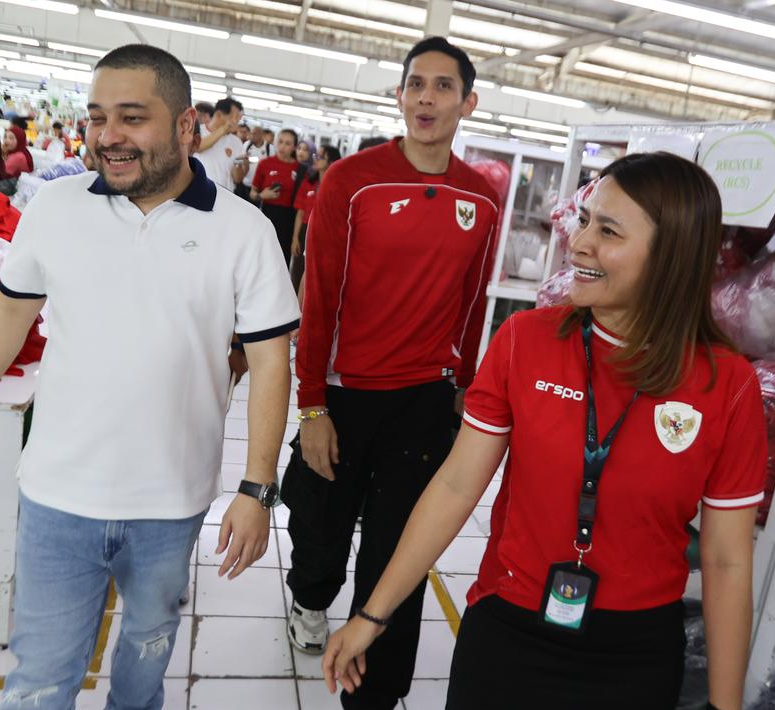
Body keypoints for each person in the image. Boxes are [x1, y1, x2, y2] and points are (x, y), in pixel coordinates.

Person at [321, 151, 767, 710]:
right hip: (509, 631)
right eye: (584, 220)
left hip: (634, 655)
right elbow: (457, 486)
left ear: (672, 254)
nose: (579, 244)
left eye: (608, 231)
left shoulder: (726, 384)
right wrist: (373, 613)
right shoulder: (525, 342)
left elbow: (727, 560)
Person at [0, 43, 299, 710]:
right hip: (57, 497)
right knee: (40, 680)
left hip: (170, 501)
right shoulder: (55, 208)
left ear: (187, 126)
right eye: (97, 116)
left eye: (132, 118)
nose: (108, 136)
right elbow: (10, 311)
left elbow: (270, 363)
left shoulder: (243, 231)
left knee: (144, 657)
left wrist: (256, 488)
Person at [285, 36, 501, 710]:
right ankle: (310, 599)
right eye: (415, 85)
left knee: (398, 546)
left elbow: (472, 300)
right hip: (345, 394)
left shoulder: (482, 198)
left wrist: (461, 383)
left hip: (424, 400)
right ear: (399, 95)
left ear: (467, 102)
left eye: (442, 86)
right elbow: (317, 295)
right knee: (320, 526)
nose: (425, 98)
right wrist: (311, 405)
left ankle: (375, 693)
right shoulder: (353, 181)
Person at [289, 144, 340, 292]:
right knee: (298, 270)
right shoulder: (308, 182)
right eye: (315, 156)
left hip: (325, 233)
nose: (315, 160)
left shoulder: (337, 186)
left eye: (320, 157)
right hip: (304, 230)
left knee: (317, 273)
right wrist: (295, 238)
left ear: (331, 162)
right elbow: (300, 212)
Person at [250, 128, 303, 259]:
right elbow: (252, 193)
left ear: (294, 147)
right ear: (275, 142)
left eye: (288, 143)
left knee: (282, 257)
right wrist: (261, 196)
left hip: (289, 218)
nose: (282, 146)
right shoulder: (265, 164)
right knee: (262, 255)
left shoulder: (300, 169)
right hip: (267, 214)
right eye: (280, 142)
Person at [194, 97, 246, 191]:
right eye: (234, 118)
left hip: (225, 197)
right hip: (198, 192)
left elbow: (237, 179)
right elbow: (198, 147)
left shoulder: (236, 142)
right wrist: (224, 129)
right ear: (218, 115)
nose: (237, 123)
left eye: (239, 119)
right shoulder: (198, 131)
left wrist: (238, 165)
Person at [237, 123, 272, 201]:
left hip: (259, 187)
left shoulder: (269, 148)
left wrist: (251, 159)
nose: (251, 135)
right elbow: (241, 159)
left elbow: (270, 165)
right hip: (245, 183)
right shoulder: (246, 145)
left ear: (261, 135)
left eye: (254, 133)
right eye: (251, 133)